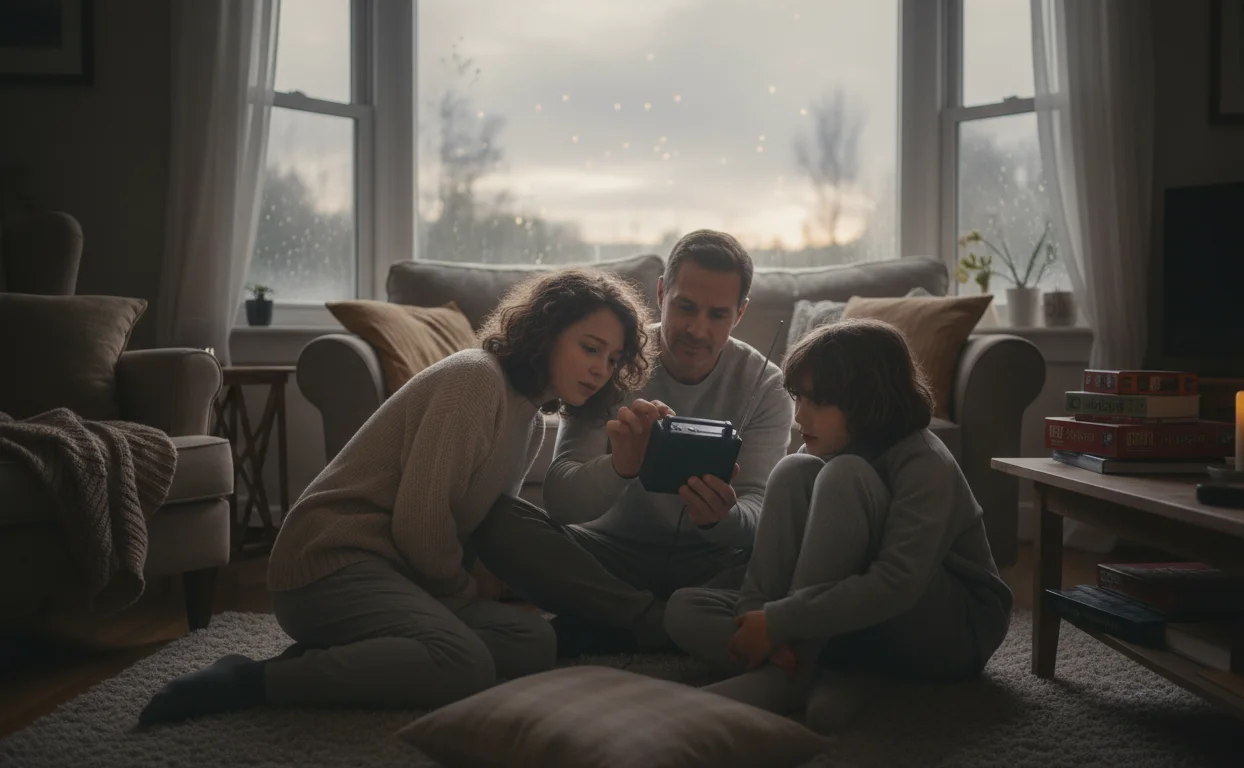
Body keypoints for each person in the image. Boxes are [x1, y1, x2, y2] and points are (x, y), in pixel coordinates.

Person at [137, 269, 655, 725]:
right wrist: (464, 596)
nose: (600, 369)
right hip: (328, 565)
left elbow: (474, 529)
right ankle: (254, 680)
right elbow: (420, 524)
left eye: (612, 359)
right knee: (463, 662)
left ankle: (365, 650)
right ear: (546, 334)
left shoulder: (531, 423)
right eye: (590, 348)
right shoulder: (476, 380)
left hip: (401, 575)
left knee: (533, 642)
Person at [663, 318, 1013, 733]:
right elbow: (782, 560)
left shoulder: (924, 463)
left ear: (868, 402)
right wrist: (755, 614)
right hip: (855, 620)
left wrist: (780, 622)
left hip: (950, 630)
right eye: (797, 398)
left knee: (844, 475)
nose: (799, 416)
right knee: (685, 606)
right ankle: (819, 670)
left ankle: (793, 674)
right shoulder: (829, 441)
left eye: (818, 402)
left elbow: (897, 583)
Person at [472, 229, 795, 656]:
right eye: (685, 307)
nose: (697, 329)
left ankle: (612, 622)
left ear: (740, 314)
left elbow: (758, 510)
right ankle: (660, 624)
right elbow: (562, 498)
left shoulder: (768, 386)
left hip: (711, 564)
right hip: (607, 556)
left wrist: (723, 517)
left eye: (717, 314)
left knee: (795, 548)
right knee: (496, 521)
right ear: (661, 292)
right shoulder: (612, 358)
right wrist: (620, 467)